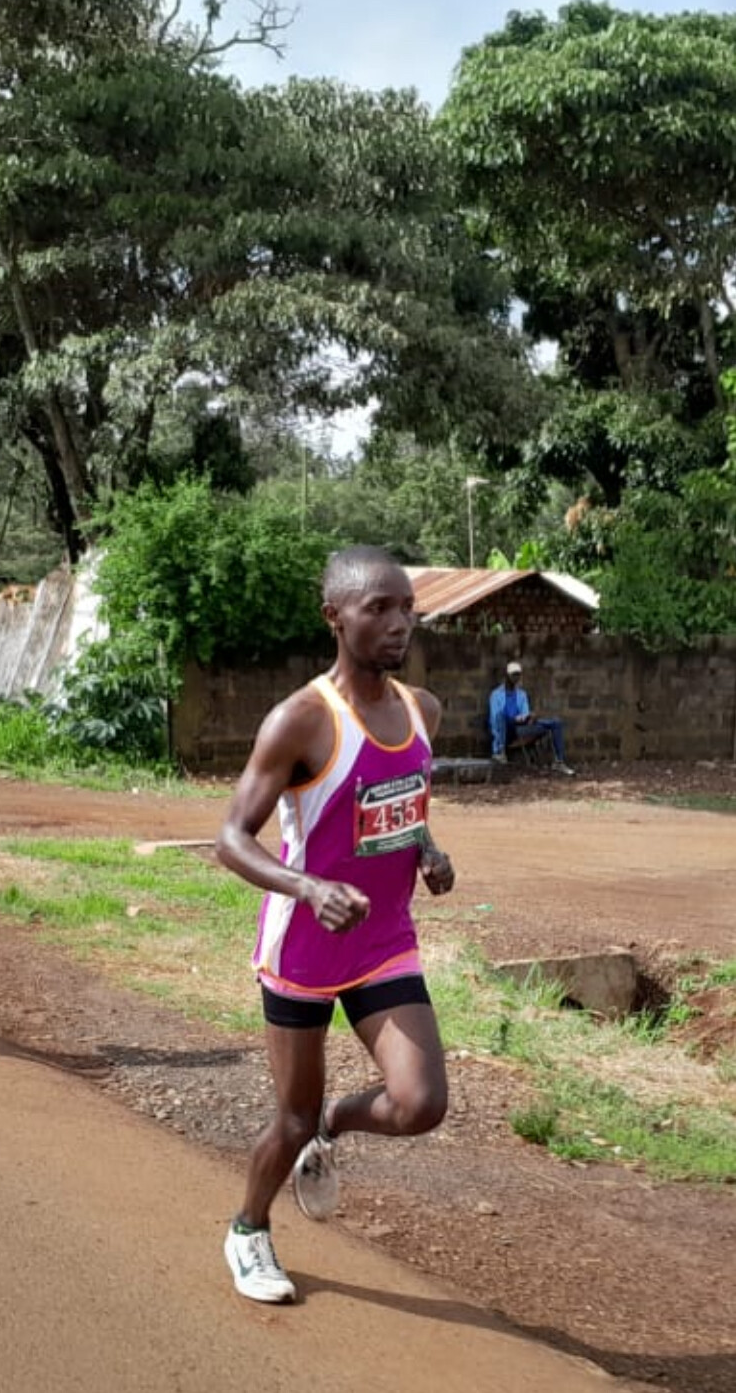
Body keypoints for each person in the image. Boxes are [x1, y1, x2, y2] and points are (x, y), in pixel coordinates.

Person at [214, 544, 456, 1304]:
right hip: (304, 946)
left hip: (383, 939)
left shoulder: (423, 710)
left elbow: (400, 799)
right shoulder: (301, 720)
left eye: (406, 607)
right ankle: (248, 1229)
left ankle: (336, 1121)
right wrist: (309, 885)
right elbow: (231, 839)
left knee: (420, 1103)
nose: (398, 623)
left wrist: (427, 849)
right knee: (287, 1120)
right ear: (335, 617)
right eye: (377, 608)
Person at [488, 660, 575, 776]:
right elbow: (495, 717)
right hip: (505, 728)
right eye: (513, 675)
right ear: (507, 676)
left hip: (520, 727)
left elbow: (525, 712)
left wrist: (527, 717)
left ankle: (559, 762)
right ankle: (499, 752)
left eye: (518, 675)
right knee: (500, 716)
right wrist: (512, 719)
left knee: (555, 723)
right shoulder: (496, 694)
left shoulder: (521, 694)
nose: (516, 678)